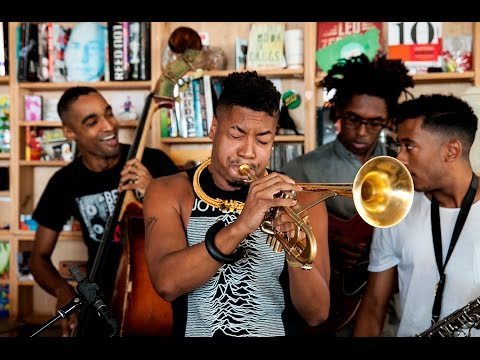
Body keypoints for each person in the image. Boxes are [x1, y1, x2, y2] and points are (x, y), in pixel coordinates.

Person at [143, 71, 331, 337]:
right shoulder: (169, 192)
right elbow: (166, 283)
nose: (248, 151)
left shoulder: (303, 200)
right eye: (236, 134)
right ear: (214, 128)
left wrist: (294, 248)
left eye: (263, 139)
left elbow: (317, 314)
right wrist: (242, 225)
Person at [29, 86, 178, 337]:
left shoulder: (154, 162)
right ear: (70, 132)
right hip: (99, 303)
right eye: (92, 122)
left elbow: (195, 227)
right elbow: (38, 259)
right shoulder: (64, 182)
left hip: (156, 299)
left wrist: (152, 190)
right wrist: (62, 290)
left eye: (108, 114)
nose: (109, 126)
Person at [282, 53, 413, 336]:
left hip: (385, 308)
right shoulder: (301, 169)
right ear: (338, 110)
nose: (362, 132)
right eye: (353, 119)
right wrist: (322, 242)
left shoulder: (403, 171)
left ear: (388, 121)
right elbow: (272, 242)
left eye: (374, 122)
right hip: (326, 306)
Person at [353, 94, 480, 337]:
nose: (399, 158)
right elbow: (373, 307)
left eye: (409, 146)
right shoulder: (393, 208)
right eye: (398, 146)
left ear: (451, 151)